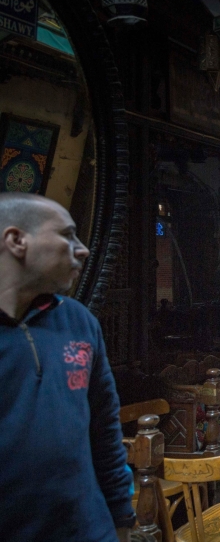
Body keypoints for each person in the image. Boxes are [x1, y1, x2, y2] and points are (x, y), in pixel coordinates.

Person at [0, 193, 135, 542]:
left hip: (89, 529)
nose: (82, 249)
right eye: (67, 234)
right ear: (16, 240)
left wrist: (121, 519)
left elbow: (105, 432)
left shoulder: (78, 322)